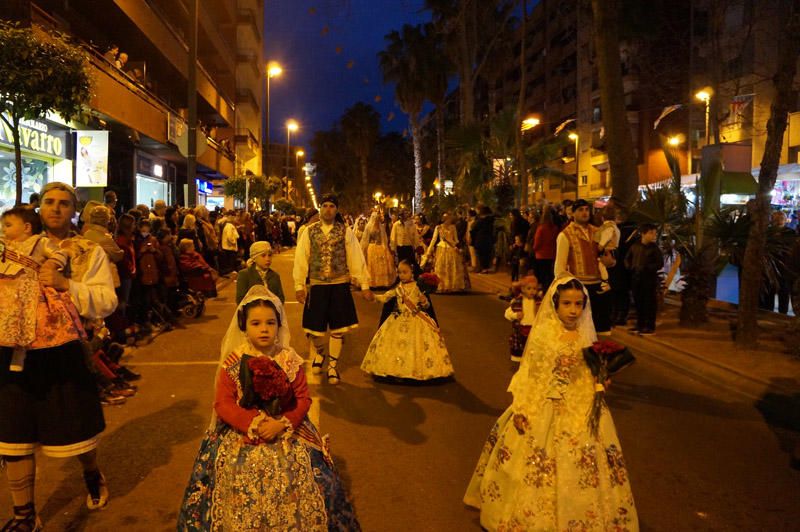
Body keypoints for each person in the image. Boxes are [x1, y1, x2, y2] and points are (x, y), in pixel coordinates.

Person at [177, 286, 361, 530]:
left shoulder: (289, 359)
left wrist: (281, 423)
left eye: (270, 323)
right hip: (242, 432)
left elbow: (303, 399)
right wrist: (253, 423)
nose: (264, 329)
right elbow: (223, 403)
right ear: (244, 326)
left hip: (285, 427)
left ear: (279, 325)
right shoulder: (234, 361)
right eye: (256, 323)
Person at [464, 276, 638, 530]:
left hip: (579, 406)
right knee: (534, 466)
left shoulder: (585, 337)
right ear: (555, 305)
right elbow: (531, 374)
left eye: (578, 304)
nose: (573, 310)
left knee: (585, 467)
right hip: (543, 407)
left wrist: (599, 381)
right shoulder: (545, 336)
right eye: (567, 304)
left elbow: (585, 373)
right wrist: (523, 407)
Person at [1, 183, 117, 529]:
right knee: (13, 433)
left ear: (74, 210)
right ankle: (24, 516)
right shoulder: (10, 244)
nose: (55, 209)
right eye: (49, 202)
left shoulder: (86, 251)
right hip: (12, 352)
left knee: (74, 430)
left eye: (64, 204)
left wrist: (67, 286)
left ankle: (92, 473)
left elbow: (107, 301)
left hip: (63, 352)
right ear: (38, 207)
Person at [293, 194, 373, 384]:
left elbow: (355, 257)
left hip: (339, 285)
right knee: (314, 329)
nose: (328, 209)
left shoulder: (345, 231)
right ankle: (320, 354)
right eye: (325, 205)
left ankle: (332, 367)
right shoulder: (309, 231)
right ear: (320, 208)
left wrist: (364, 285)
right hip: (318, 285)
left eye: (332, 206)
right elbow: (301, 258)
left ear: (336, 210)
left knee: (338, 329)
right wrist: (299, 285)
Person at [361, 260, 453, 380]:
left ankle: (416, 370)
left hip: (416, 319)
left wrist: (424, 300)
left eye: (405, 272)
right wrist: (373, 297)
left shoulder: (418, 287)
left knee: (417, 345)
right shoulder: (398, 288)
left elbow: (426, 307)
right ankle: (396, 370)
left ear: (412, 272)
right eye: (399, 272)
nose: (401, 275)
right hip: (398, 319)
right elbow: (385, 297)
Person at [555, 199, 614, 335]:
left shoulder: (598, 232)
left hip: (599, 286)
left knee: (600, 329)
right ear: (573, 213)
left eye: (587, 209)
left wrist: (609, 261)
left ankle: (599, 354)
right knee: (580, 330)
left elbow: (610, 260)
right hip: (579, 288)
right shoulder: (565, 235)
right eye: (580, 210)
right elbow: (559, 267)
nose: (585, 213)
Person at [624, 223, 663, 335]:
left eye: (655, 233)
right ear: (643, 234)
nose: (654, 235)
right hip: (636, 278)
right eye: (651, 233)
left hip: (649, 279)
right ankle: (640, 324)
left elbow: (659, 263)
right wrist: (630, 267)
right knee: (638, 301)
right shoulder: (635, 246)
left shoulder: (654, 248)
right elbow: (627, 258)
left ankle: (650, 326)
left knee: (649, 302)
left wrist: (647, 268)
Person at [423, 212, 466, 292]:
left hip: (452, 250)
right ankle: (442, 285)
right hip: (442, 249)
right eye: (448, 218)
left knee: (451, 267)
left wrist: (457, 246)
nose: (450, 220)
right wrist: (428, 251)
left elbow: (456, 239)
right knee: (441, 267)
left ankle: (452, 286)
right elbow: (434, 240)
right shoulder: (438, 227)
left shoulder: (453, 227)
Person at [504, 275, 542, 362]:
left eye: (534, 289)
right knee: (522, 348)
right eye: (529, 288)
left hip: (534, 329)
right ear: (523, 289)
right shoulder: (517, 301)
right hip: (522, 329)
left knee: (533, 349)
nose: (532, 291)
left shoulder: (539, 302)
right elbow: (507, 313)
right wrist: (515, 315)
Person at [360, 209, 396, 288]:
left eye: (377, 218)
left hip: (380, 247)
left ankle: (382, 283)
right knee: (372, 265)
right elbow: (365, 239)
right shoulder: (368, 227)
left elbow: (384, 238)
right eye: (375, 218)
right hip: (372, 247)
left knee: (381, 265)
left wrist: (385, 246)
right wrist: (364, 249)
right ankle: (372, 283)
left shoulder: (381, 226)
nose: (376, 219)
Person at [596, 206, 621, 293]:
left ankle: (605, 284)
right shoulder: (615, 227)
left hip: (608, 252)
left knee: (601, 265)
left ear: (602, 218)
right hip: (614, 251)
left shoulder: (608, 228)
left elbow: (604, 239)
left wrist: (600, 246)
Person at [470, 206, 496, 274]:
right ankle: (486, 268)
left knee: (481, 255)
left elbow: (473, 229)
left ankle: (484, 269)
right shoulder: (491, 221)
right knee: (487, 254)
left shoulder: (480, 221)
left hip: (480, 240)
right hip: (489, 240)